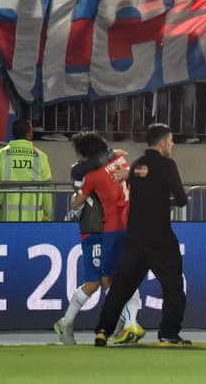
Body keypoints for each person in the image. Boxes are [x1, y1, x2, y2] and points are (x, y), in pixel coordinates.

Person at [94, 124, 190, 347]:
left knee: (121, 287)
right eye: (171, 141)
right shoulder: (166, 164)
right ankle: (168, 334)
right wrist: (177, 201)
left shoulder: (137, 165)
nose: (172, 145)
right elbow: (181, 198)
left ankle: (102, 330)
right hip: (160, 236)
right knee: (173, 287)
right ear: (163, 143)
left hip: (135, 236)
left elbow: (144, 197)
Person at [54, 132, 140, 346]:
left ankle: (121, 325)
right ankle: (120, 325)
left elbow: (78, 200)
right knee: (99, 281)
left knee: (108, 280)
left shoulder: (90, 172)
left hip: (104, 228)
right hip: (96, 230)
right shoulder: (114, 160)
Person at [0, 119, 53, 222]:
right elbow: (47, 188)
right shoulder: (41, 156)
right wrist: (48, 216)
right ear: (29, 133)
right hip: (34, 219)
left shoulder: (0, 155)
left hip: (7, 218)